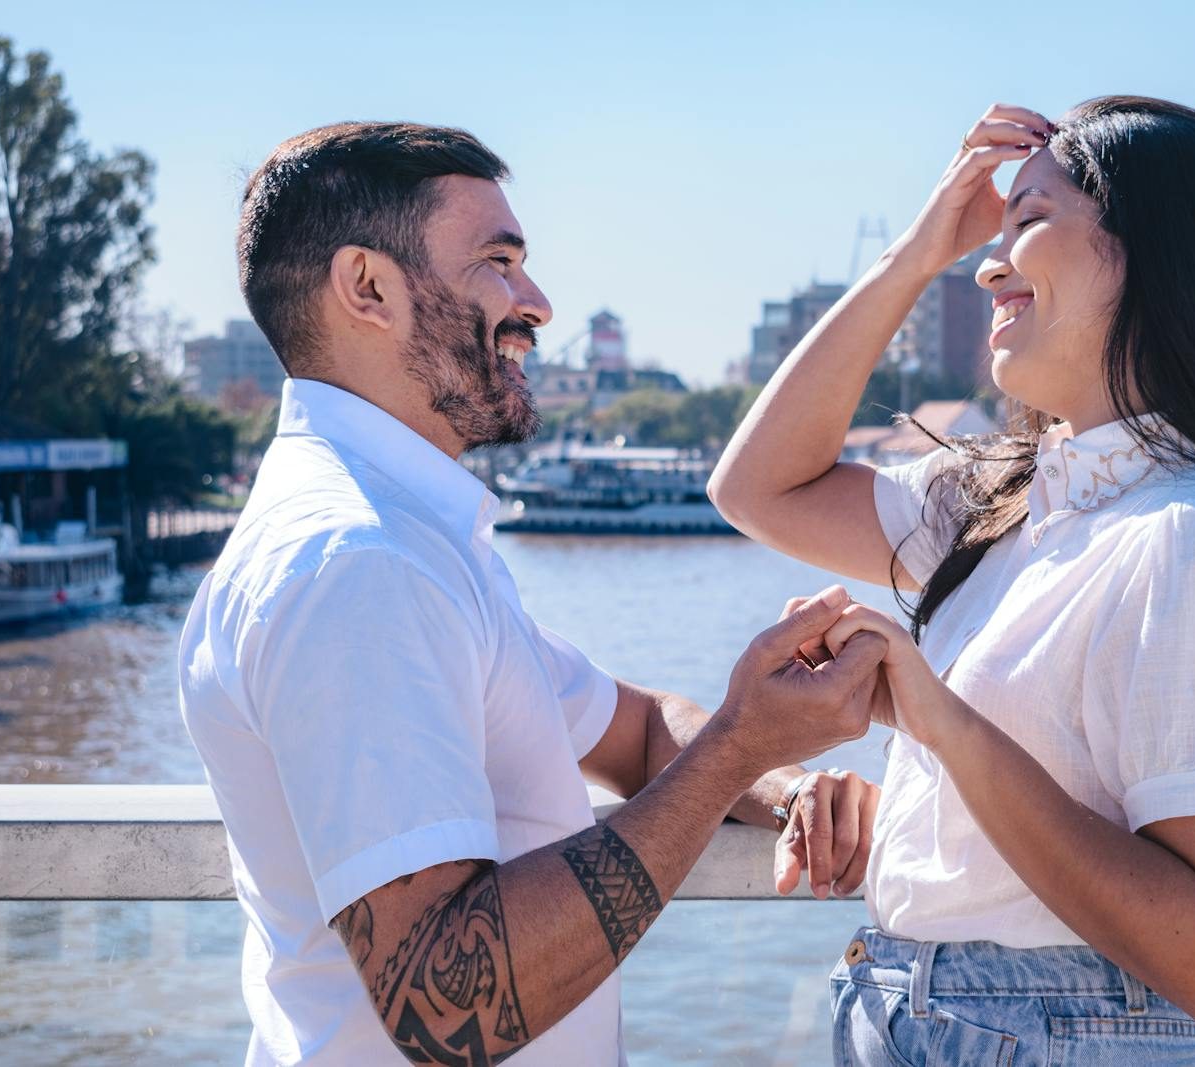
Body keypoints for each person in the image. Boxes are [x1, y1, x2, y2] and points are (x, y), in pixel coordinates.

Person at [177, 122, 889, 1065]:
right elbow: (444, 1003)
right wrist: (735, 747)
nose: (537, 303)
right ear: (367, 288)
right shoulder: (358, 567)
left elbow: (632, 731)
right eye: (498, 263)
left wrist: (788, 786)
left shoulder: (412, 544)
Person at [710, 97, 1195, 1064]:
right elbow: (758, 486)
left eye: (1029, 222)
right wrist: (919, 249)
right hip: (903, 1007)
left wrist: (936, 717)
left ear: (1158, 252)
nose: (987, 260)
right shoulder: (1006, 504)